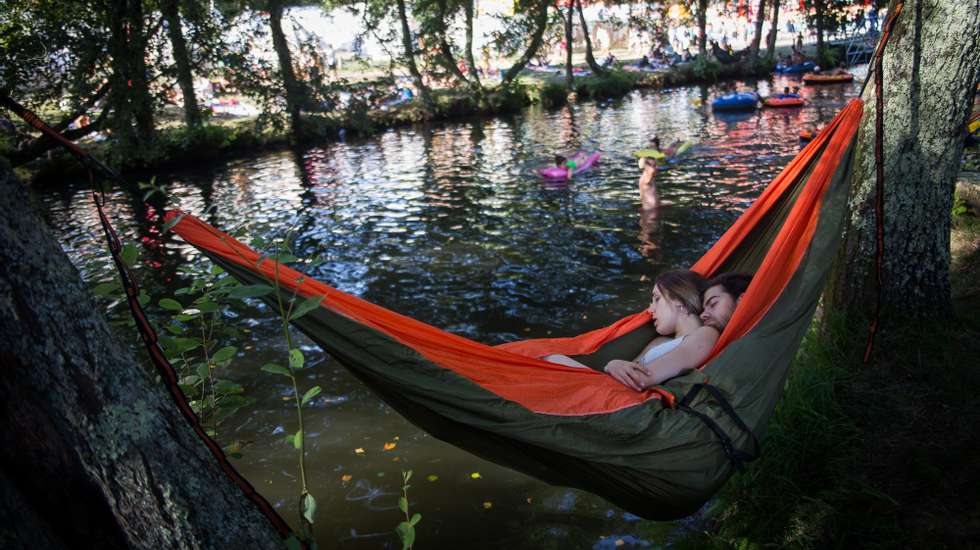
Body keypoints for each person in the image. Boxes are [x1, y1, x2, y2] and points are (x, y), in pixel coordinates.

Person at [547, 271, 719, 391]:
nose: (650, 309)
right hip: (617, 389)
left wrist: (613, 365)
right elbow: (628, 373)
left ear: (678, 301)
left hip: (630, 398)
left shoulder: (705, 334)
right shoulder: (659, 342)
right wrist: (614, 367)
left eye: (657, 299)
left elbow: (641, 379)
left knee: (551, 359)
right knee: (548, 358)